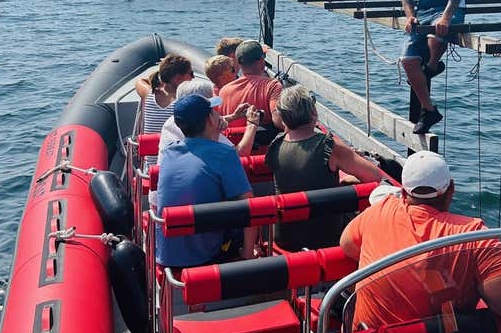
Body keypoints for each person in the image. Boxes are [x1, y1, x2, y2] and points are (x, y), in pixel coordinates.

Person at [340, 150, 501, 333]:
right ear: (451, 190)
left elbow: (347, 245)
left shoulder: (380, 211)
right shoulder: (473, 235)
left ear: (404, 192)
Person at [265, 85, 385, 251]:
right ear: (313, 113)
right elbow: (374, 176)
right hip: (326, 237)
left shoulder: (275, 145)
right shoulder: (328, 145)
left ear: (283, 119)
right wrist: (347, 180)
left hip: (286, 237)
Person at [156, 94, 258, 266]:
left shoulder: (169, 152)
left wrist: (228, 119)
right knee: (248, 217)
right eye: (214, 111)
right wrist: (247, 255)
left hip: (166, 255)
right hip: (205, 257)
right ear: (211, 119)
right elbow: (249, 207)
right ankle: (248, 254)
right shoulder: (225, 154)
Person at [400, 0, 469, 134]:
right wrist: (410, 15)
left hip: (450, 8)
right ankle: (429, 110)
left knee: (434, 38)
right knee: (408, 61)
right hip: (424, 10)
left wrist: (447, 17)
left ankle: (429, 68)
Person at [157, 79, 260, 165]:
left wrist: (233, 117)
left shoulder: (174, 121)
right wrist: (252, 125)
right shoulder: (205, 129)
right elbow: (237, 157)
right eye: (211, 106)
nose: (215, 109)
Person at [135, 54, 194, 167]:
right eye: (190, 74)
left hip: (151, 170)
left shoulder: (148, 94)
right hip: (177, 167)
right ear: (177, 79)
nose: (193, 78)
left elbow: (139, 81)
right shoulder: (184, 102)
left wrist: (159, 78)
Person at [219, 40, 284, 141]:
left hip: (234, 149)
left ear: (239, 63)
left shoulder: (224, 91)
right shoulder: (272, 85)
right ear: (261, 61)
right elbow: (278, 121)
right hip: (261, 152)